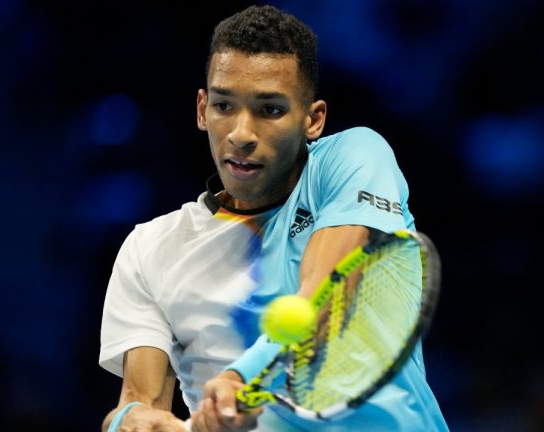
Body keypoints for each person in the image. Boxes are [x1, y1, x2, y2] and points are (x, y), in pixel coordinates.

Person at [98, 4, 448, 432]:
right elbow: (138, 405)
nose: (241, 133)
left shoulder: (353, 158)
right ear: (201, 109)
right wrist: (147, 424)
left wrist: (238, 376)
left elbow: (322, 295)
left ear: (313, 119)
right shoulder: (149, 249)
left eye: (270, 110)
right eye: (224, 105)